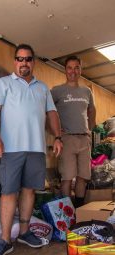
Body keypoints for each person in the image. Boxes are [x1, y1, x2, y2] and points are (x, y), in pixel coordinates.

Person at [0, 44, 63, 255]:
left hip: (36, 148)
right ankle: (4, 240)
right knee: (9, 192)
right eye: (20, 59)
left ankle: (24, 233)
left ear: (33, 62)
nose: (24, 63)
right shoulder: (4, 84)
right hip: (10, 148)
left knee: (29, 190)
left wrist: (58, 137)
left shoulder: (42, 88)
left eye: (28, 59)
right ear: (15, 61)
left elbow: (52, 113)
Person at [51, 56, 96, 208]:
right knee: (67, 178)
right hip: (67, 140)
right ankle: (67, 214)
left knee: (83, 177)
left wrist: (90, 129)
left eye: (76, 67)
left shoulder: (87, 91)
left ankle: (79, 210)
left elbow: (91, 110)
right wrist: (54, 131)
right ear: (65, 70)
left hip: (84, 140)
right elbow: (47, 112)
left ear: (80, 70)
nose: (73, 71)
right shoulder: (57, 91)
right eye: (70, 67)